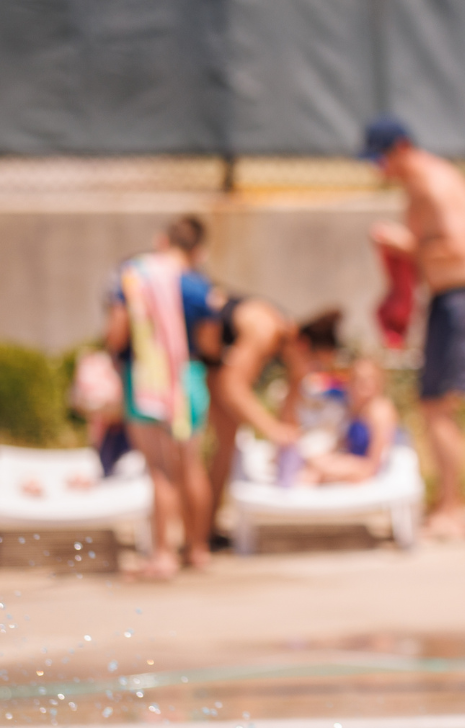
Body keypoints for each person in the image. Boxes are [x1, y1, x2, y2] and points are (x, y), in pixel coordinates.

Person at [361, 115, 465, 537]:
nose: (378, 170)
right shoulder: (423, 182)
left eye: (381, 160)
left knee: (440, 406)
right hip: (451, 298)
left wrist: (405, 244)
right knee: (432, 405)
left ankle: (454, 510)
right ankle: (448, 504)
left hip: (463, 297)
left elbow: (457, 248)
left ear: (400, 149)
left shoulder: (431, 184)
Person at [102, 215, 212, 579]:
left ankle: (163, 555)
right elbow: (210, 339)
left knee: (160, 469)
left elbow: (117, 332)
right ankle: (198, 549)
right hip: (189, 377)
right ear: (198, 251)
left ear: (162, 240)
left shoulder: (134, 276)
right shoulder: (196, 285)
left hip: (148, 378)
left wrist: (111, 355)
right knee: (191, 465)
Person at [190, 290, 315, 530]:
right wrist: (272, 430)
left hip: (210, 357)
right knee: (187, 452)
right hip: (185, 353)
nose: (312, 370)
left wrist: (285, 433)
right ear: (304, 344)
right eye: (314, 363)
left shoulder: (286, 341)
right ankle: (194, 535)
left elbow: (289, 416)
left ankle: (205, 531)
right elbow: (232, 387)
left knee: (226, 445)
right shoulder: (265, 329)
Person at [295, 356, 401, 486]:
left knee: (313, 471)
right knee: (310, 466)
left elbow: (374, 465)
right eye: (356, 379)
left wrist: (330, 467)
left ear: (378, 382)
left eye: (366, 380)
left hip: (367, 470)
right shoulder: (357, 408)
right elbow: (343, 445)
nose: (360, 385)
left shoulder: (380, 410)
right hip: (354, 464)